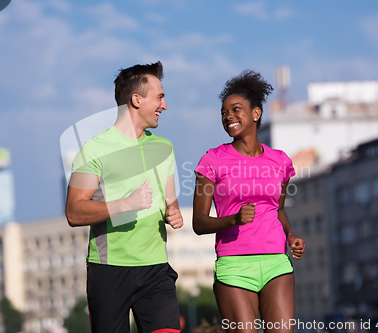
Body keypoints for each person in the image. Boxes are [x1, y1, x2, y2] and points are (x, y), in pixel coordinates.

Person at [66, 61, 183, 333]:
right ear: (136, 99)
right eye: (160, 97)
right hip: (109, 270)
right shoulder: (94, 148)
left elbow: (170, 201)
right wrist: (125, 205)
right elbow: (74, 212)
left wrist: (173, 211)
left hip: (155, 268)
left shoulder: (164, 147)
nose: (164, 106)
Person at [192, 70, 305, 333]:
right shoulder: (213, 160)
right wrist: (234, 219)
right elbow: (198, 222)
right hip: (233, 266)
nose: (228, 116)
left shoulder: (280, 161)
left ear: (256, 114)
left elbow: (278, 210)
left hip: (277, 262)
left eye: (236, 109)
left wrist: (290, 236)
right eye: (224, 112)